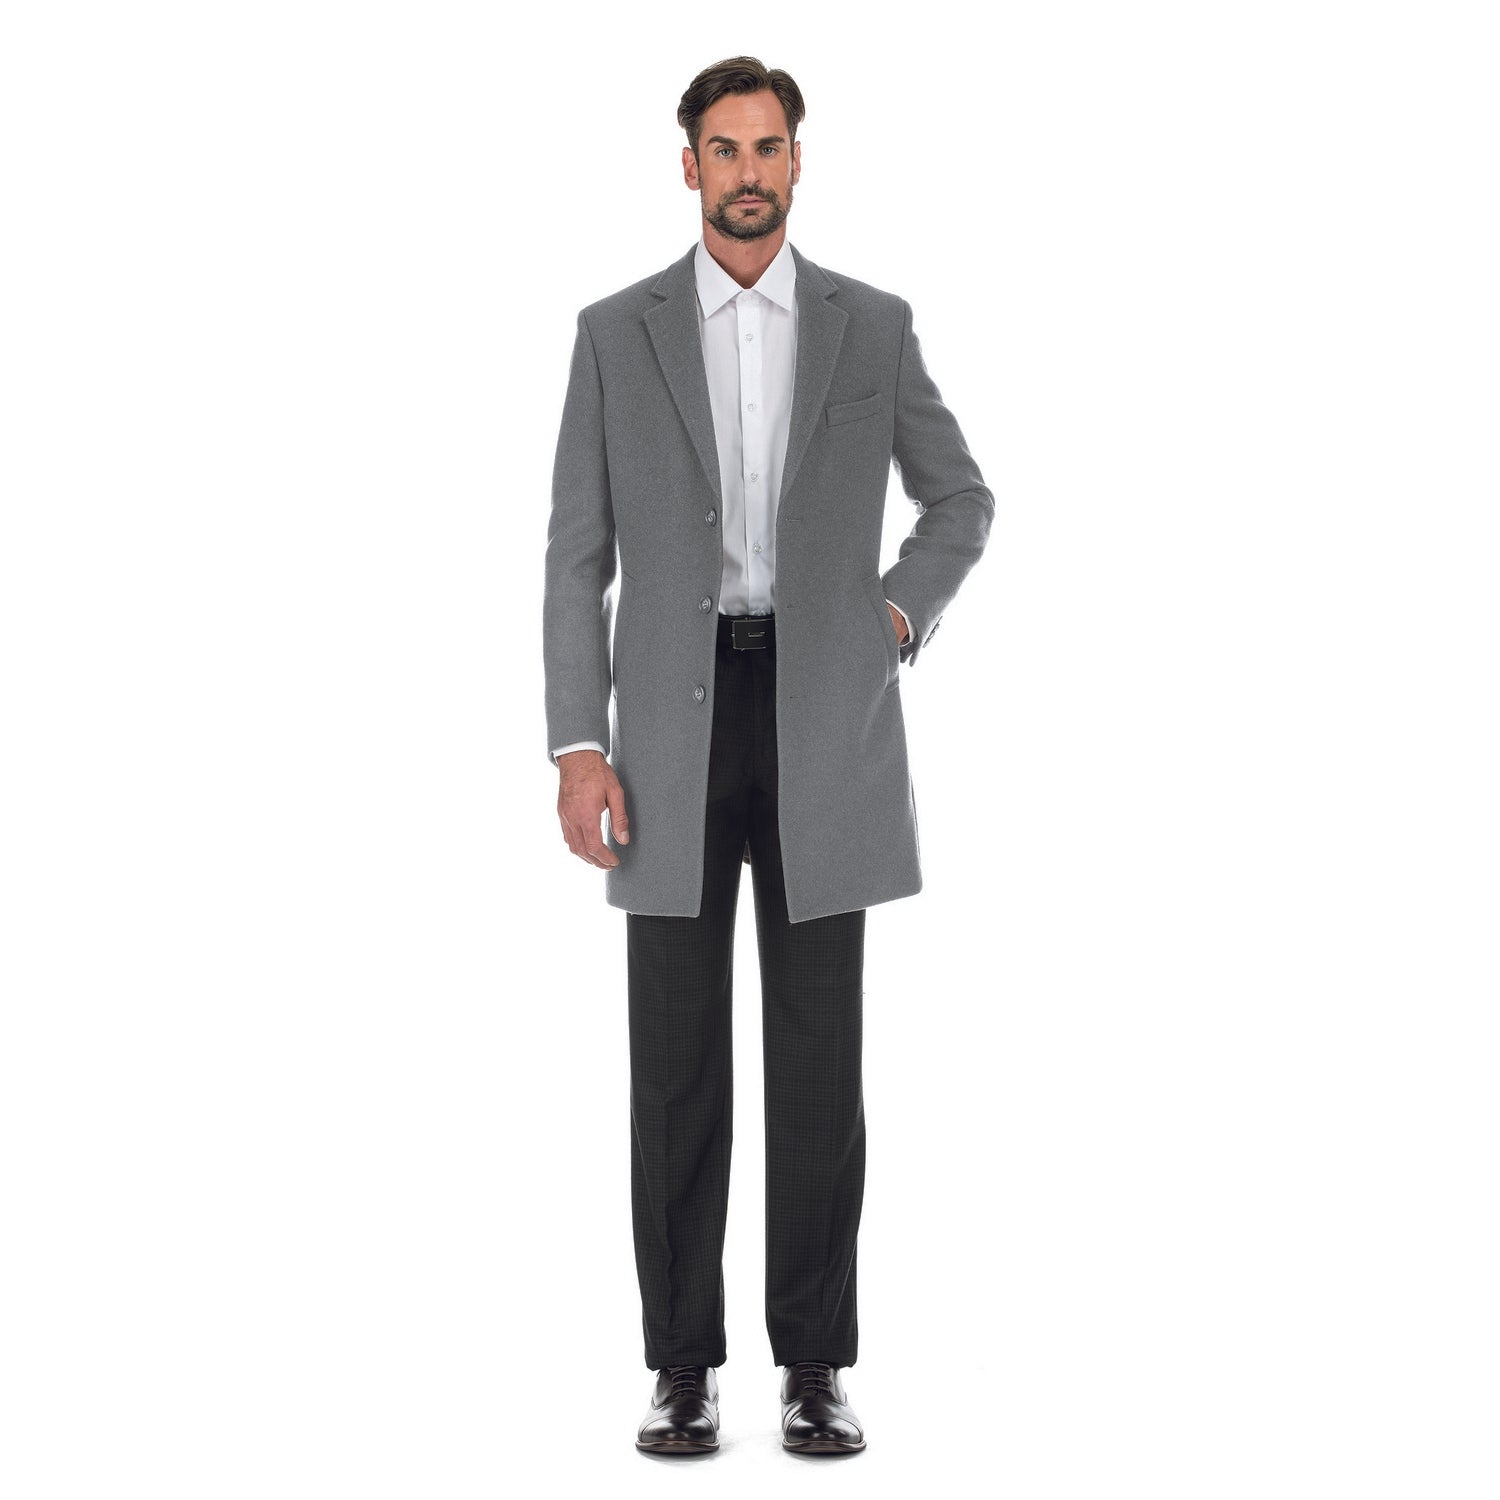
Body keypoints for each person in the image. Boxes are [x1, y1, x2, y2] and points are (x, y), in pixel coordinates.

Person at [543, 55, 994, 1456]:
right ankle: (682, 1367)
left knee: (816, 1064)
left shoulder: (871, 325)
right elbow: (576, 558)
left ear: (800, 161)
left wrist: (893, 618)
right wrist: (577, 743)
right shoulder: (615, 333)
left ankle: (814, 1366)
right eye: (725, 149)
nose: (749, 172)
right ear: (689, 167)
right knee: (673, 1068)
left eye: (770, 147)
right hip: (667, 739)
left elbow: (961, 500)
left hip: (825, 724)